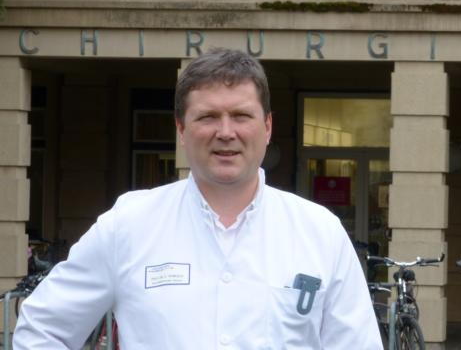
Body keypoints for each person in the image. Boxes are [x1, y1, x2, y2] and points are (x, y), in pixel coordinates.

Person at [13, 48, 382, 349]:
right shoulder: (129, 225)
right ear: (181, 128)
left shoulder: (321, 233)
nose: (226, 132)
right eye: (207, 117)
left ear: (268, 126)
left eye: (241, 115)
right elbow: (42, 328)